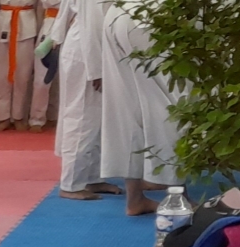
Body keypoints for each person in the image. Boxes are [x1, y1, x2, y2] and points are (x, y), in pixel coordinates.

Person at [99, 0, 181, 215]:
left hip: (117, 13)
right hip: (150, 16)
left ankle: (135, 199)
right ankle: (177, 197)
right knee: (169, 102)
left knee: (128, 106)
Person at [50, 0, 118, 200]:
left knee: (97, 119)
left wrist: (57, 34)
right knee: (82, 117)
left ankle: (92, 177)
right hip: (86, 54)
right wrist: (96, 70)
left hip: (92, 49)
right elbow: (91, 23)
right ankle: (71, 184)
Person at [0, 0, 33, 130]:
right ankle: (3, 117)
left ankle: (18, 117)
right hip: (3, 26)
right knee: (1, 75)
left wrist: (38, 29)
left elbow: (40, 7)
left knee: (23, 75)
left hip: (27, 26)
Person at [27, 0, 57, 131]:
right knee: (42, 79)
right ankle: (37, 119)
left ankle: (54, 115)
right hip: (50, 26)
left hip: (74, 26)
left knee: (65, 79)